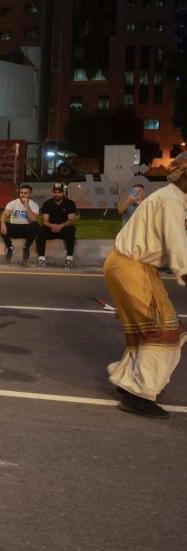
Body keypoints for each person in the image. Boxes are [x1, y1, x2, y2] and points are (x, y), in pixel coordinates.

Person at [104, 153, 187, 419]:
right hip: (133, 267)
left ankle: (127, 378)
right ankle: (138, 394)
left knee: (152, 331)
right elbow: (177, 241)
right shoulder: (170, 200)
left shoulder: (173, 198)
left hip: (131, 266)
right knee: (163, 332)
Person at [37, 183, 77, 269]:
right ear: (52, 192)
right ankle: (41, 258)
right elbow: (45, 220)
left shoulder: (70, 203)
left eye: (59, 192)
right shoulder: (47, 203)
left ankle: (69, 259)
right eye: (55, 192)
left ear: (64, 192)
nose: (57, 194)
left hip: (64, 229)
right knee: (41, 229)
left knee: (71, 229)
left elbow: (71, 220)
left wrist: (60, 226)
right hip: (51, 229)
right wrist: (52, 226)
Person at [0, 184, 40, 264]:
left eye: (25, 193)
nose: (23, 195)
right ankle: (10, 247)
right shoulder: (13, 203)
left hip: (26, 229)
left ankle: (26, 247)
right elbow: (5, 214)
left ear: (30, 194)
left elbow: (33, 220)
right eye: (21, 193)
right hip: (15, 228)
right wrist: (3, 223)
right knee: (1, 223)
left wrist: (27, 206)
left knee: (35, 225)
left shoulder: (34, 205)